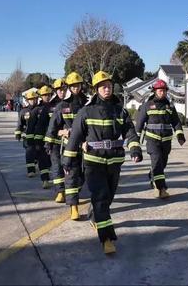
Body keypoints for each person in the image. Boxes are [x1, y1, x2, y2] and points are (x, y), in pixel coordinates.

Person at [62, 71, 143, 255]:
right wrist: (67, 160)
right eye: (103, 86)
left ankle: (95, 215)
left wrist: (135, 149)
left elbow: (130, 131)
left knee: (107, 199)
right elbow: (74, 137)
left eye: (109, 85)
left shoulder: (119, 110)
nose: (107, 89)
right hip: (93, 163)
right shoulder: (86, 111)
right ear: (96, 89)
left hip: (114, 162)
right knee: (100, 198)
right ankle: (107, 238)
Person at [46, 72, 88, 218]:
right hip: (69, 147)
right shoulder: (62, 106)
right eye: (73, 86)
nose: (76, 88)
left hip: (86, 148)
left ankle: (74, 195)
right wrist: (49, 142)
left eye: (78, 85)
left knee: (82, 177)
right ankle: (73, 207)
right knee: (71, 175)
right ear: (69, 87)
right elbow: (52, 127)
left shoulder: (87, 104)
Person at [135, 79, 185, 199]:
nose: (162, 93)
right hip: (152, 140)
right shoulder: (147, 105)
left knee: (162, 164)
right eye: (160, 90)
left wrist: (180, 135)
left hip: (166, 141)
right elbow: (139, 123)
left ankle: (153, 176)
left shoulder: (170, 106)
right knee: (157, 163)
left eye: (164, 91)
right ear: (155, 91)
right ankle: (161, 189)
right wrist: (136, 141)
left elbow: (176, 122)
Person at [44, 78, 68, 203]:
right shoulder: (49, 106)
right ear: (55, 91)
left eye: (64, 90)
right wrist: (48, 142)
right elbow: (45, 125)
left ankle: (71, 189)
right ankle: (60, 192)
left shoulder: (72, 103)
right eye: (59, 90)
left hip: (69, 141)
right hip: (55, 142)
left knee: (70, 166)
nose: (62, 92)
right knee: (57, 166)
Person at [27, 86, 55, 188]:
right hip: (41, 140)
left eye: (48, 95)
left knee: (50, 161)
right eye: (44, 95)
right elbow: (31, 127)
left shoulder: (55, 107)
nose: (47, 97)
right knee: (43, 160)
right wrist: (32, 142)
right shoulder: (36, 110)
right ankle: (45, 180)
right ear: (40, 96)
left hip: (54, 140)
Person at [15, 91, 39, 177]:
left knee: (37, 153)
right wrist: (18, 134)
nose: (33, 101)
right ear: (28, 100)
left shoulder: (41, 110)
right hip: (28, 137)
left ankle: (36, 162)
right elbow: (20, 124)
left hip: (39, 137)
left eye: (34, 99)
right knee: (29, 153)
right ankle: (31, 171)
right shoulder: (23, 111)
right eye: (31, 99)